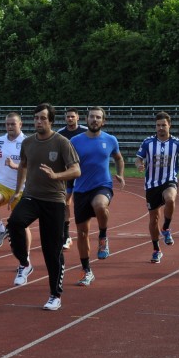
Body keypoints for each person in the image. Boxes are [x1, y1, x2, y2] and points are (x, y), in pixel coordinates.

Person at [7, 103, 80, 311]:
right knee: (15, 223)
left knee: (52, 250)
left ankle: (55, 295)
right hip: (31, 197)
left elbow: (76, 170)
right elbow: (23, 165)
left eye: (42, 118)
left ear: (51, 121)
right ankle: (25, 263)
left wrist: (57, 176)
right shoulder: (28, 142)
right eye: (36, 118)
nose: (38, 121)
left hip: (54, 201)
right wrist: (17, 191)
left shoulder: (62, 143)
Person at [70, 107, 125, 285]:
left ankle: (103, 236)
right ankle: (86, 270)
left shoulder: (110, 140)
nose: (94, 120)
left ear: (104, 121)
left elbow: (118, 158)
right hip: (80, 190)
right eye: (92, 117)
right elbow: (69, 165)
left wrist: (120, 174)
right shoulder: (75, 141)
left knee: (100, 205)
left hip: (103, 185)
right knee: (82, 233)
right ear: (86, 119)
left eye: (98, 117)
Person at [135, 111, 179, 264]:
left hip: (169, 180)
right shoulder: (147, 142)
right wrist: (140, 165)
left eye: (163, 125)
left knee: (170, 199)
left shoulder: (177, 143)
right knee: (153, 219)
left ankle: (166, 228)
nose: (160, 128)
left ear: (169, 125)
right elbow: (138, 158)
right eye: (158, 125)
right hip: (151, 184)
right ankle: (156, 249)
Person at [0, 112, 26, 250]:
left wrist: (15, 166)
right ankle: (1, 229)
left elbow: (31, 166)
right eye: (7, 124)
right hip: (2, 184)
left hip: (20, 188)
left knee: (19, 226)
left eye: (13, 124)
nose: (9, 126)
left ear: (20, 124)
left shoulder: (26, 142)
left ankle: (25, 260)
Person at [57, 108, 84, 250]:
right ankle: (66, 235)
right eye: (68, 117)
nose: (70, 119)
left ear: (78, 117)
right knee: (65, 202)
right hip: (67, 172)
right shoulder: (60, 134)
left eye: (72, 116)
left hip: (83, 173)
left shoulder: (85, 131)